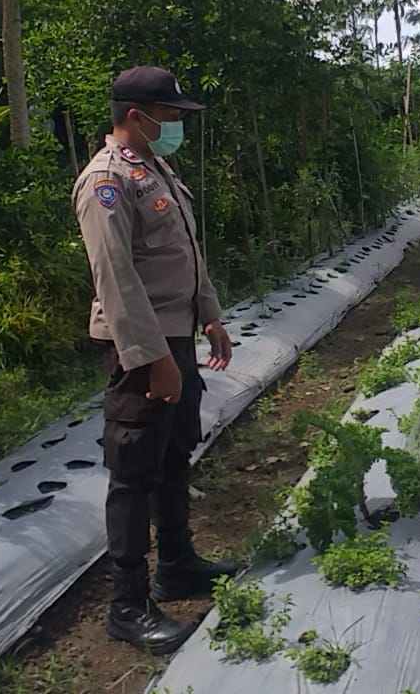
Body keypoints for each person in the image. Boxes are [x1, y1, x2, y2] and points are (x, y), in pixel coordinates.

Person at [72, 65, 241, 653]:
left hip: (178, 336)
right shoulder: (105, 182)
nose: (175, 127)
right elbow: (116, 278)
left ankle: (177, 564)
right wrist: (151, 358)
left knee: (173, 454)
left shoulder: (156, 169)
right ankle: (127, 605)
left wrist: (210, 315)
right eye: (168, 117)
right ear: (135, 116)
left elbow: (186, 253)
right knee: (134, 471)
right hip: (142, 346)